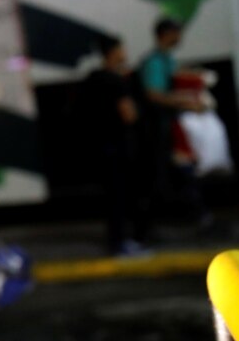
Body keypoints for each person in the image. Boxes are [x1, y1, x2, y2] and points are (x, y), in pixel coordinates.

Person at [138, 18, 211, 227]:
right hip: (161, 129)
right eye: (176, 32)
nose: (179, 37)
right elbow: (154, 95)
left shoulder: (166, 59)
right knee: (175, 171)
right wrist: (187, 103)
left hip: (170, 126)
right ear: (165, 34)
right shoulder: (155, 62)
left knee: (179, 170)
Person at [81, 36, 148, 255]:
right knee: (123, 197)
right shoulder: (117, 81)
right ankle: (121, 243)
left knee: (112, 199)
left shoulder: (92, 78)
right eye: (122, 49)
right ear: (113, 52)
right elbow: (128, 115)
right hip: (119, 147)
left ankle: (116, 241)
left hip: (100, 147)